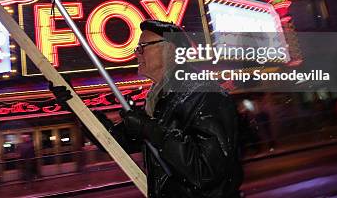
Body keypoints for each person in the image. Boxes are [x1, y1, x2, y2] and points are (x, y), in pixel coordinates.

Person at [51, 20, 242, 198]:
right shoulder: (160, 100)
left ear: (170, 49)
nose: (137, 53)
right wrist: (75, 106)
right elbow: (115, 142)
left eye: (143, 47)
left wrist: (150, 129)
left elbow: (207, 171)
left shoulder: (204, 94)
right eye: (137, 48)